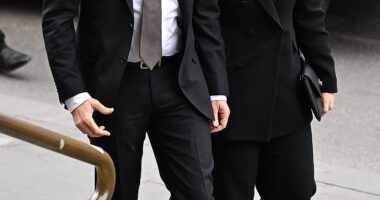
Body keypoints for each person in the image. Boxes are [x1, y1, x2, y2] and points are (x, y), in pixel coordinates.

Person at [42, 0, 229, 199]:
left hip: (180, 81)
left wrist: (216, 89)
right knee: (119, 190)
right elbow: (57, 17)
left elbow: (206, 17)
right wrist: (75, 96)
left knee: (197, 192)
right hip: (115, 84)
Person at [212, 0, 337, 199]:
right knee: (231, 192)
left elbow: (309, 15)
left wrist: (325, 75)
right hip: (233, 97)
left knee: (296, 188)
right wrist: (215, 89)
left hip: (286, 94)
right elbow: (207, 27)